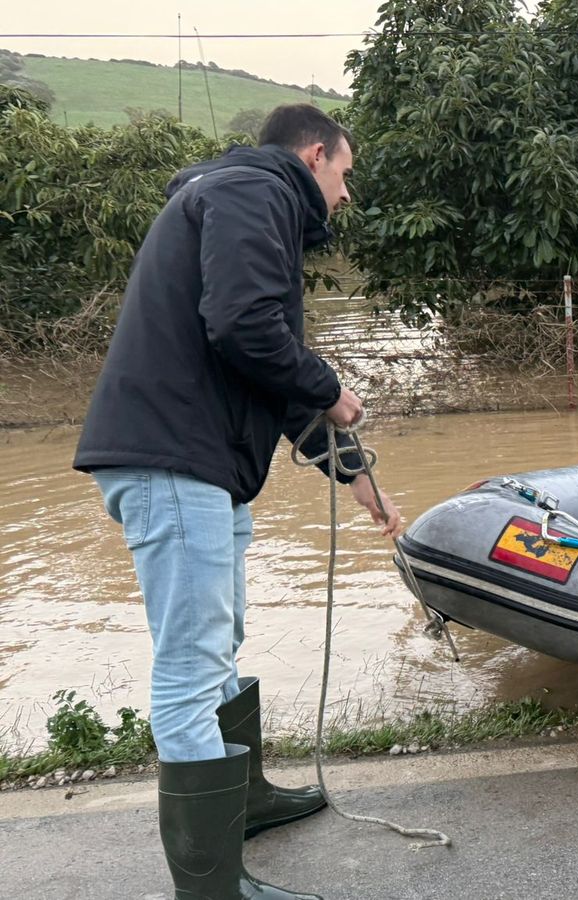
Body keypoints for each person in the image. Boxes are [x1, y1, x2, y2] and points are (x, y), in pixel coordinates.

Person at [74, 104, 399, 900]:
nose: (346, 195)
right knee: (189, 667)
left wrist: (355, 473)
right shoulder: (257, 191)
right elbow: (246, 327)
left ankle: (244, 803)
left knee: (221, 640)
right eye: (345, 175)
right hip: (173, 463)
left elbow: (261, 366)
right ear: (314, 155)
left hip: (198, 464)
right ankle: (213, 890)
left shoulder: (245, 200)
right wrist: (333, 390)